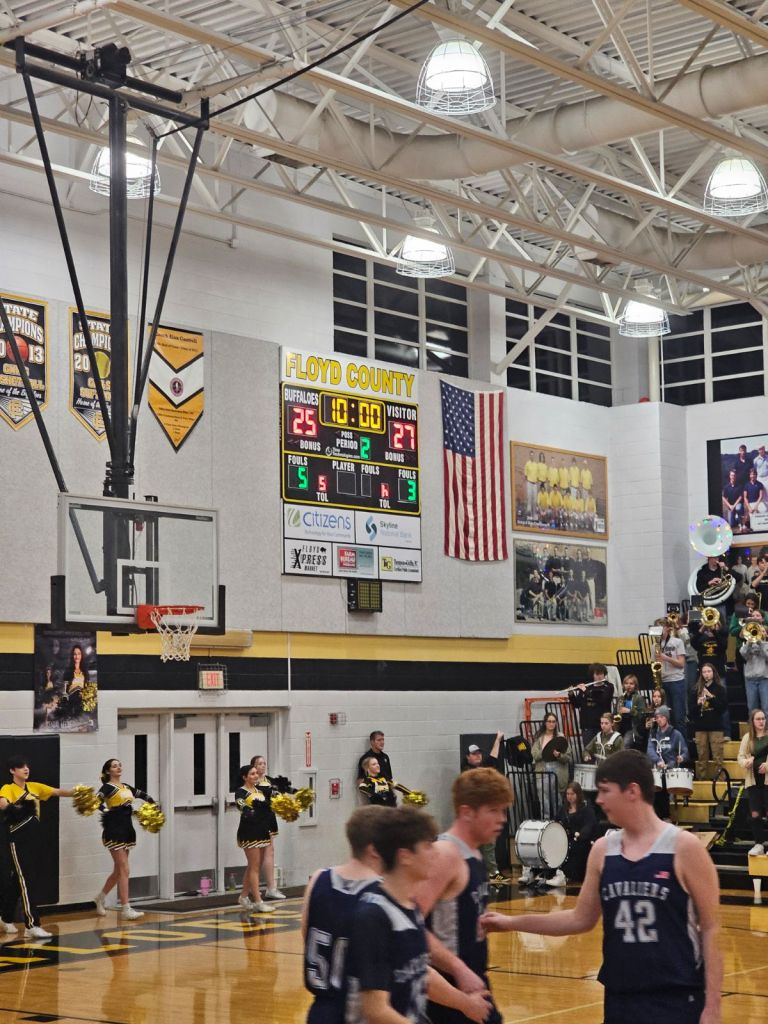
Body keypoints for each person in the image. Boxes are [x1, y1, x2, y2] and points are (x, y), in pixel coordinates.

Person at [481, 750, 722, 1024]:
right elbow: (579, 919)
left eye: (605, 791)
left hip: (675, 995)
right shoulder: (603, 850)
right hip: (620, 994)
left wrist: (713, 1006)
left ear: (632, 791)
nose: (599, 800)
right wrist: (510, 923)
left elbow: (711, 929)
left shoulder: (684, 847)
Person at [345, 806, 492, 1024]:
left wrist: (465, 1003)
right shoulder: (373, 916)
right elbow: (375, 1010)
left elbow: (420, 973)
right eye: (427, 846)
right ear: (405, 856)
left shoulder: (408, 907)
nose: (436, 853)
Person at [415, 768, 512, 1024]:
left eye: (503, 811)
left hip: (473, 980)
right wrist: (458, 968)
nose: (502, 819)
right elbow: (408, 924)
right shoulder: (445, 854)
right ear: (467, 812)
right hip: (446, 988)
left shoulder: (475, 853)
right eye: (494, 810)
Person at [302, 805, 384, 1024]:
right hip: (358, 1012)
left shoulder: (318, 879)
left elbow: (305, 934)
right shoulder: (382, 891)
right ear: (375, 849)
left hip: (320, 1010)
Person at [0, 755, 74, 938]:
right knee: (27, 880)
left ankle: (5, 918)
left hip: (34, 838)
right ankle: (32, 925)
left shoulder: (35, 787)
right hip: (18, 839)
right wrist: (19, 810)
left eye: (27, 766)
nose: (26, 769)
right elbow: (3, 804)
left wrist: (81, 792)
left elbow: (58, 792)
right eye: (21, 767)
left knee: (18, 881)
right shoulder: (8, 788)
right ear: (12, 771)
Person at [93, 758, 156, 921]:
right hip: (114, 829)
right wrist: (106, 810)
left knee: (118, 871)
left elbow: (142, 795)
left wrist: (152, 804)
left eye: (119, 765)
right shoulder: (107, 787)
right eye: (114, 766)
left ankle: (100, 898)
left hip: (127, 828)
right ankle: (126, 908)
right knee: (124, 869)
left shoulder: (126, 787)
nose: (118, 768)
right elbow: (96, 802)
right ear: (108, 771)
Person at [462, 734, 509, 885]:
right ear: (468, 757)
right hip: (474, 815)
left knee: (488, 844)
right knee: (479, 845)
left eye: (479, 753)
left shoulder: (483, 769)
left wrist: (498, 740)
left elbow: (493, 758)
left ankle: (490, 872)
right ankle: (489, 873)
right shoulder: (467, 772)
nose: (478, 756)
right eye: (474, 754)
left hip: (483, 814)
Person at [234, 763, 275, 914]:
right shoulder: (240, 792)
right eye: (252, 774)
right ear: (244, 777)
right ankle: (258, 901)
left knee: (253, 866)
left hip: (262, 830)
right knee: (254, 866)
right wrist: (249, 811)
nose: (256, 775)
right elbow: (241, 805)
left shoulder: (260, 790)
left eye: (256, 773)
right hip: (249, 831)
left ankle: (244, 897)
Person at [248, 754, 287, 901]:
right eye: (259, 763)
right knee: (256, 855)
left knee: (269, 852)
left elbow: (278, 797)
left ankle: (270, 888)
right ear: (253, 766)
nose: (263, 766)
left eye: (264, 763)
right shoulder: (251, 783)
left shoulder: (270, 781)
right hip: (257, 820)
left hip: (269, 818)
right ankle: (253, 888)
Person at [646, 705, 688, 821]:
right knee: (653, 786)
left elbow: (685, 752)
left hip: (670, 769)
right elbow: (650, 750)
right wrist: (658, 760)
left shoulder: (676, 734)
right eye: (657, 717)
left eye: (661, 717)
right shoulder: (653, 734)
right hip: (658, 768)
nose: (659, 719)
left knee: (662, 785)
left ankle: (665, 816)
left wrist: (682, 757)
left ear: (667, 718)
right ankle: (658, 817)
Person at [688, 666, 727, 781]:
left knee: (718, 757)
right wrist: (698, 704)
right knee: (701, 756)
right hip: (700, 727)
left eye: (709, 671)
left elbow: (722, 708)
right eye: (704, 672)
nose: (706, 674)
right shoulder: (695, 690)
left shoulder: (720, 689)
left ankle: (720, 780)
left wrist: (711, 696)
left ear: (713, 673)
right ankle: (702, 780)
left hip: (716, 726)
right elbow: (691, 712)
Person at [737, 707, 768, 856]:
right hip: (753, 780)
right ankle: (759, 843)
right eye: (758, 719)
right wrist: (746, 762)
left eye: (763, 719)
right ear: (753, 721)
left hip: (767, 780)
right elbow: (740, 757)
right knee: (755, 813)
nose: (761, 721)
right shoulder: (747, 737)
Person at [531, 712, 571, 818]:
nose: (551, 724)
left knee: (557, 801)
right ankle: (546, 823)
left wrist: (559, 755)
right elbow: (534, 754)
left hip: (557, 771)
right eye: (549, 721)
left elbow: (568, 757)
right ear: (545, 723)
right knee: (544, 801)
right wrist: (545, 751)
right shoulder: (539, 738)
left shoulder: (561, 737)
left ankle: (559, 823)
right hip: (542, 771)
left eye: (553, 721)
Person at [556, 782, 597, 883]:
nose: (569, 796)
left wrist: (578, 835)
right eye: (568, 794)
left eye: (572, 794)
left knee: (575, 849)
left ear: (578, 794)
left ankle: (567, 875)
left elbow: (589, 825)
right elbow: (556, 822)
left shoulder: (586, 809)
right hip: (566, 839)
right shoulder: (563, 809)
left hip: (580, 841)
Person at [653, 618, 687, 732]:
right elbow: (654, 664)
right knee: (666, 717)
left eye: (661, 627)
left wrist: (666, 658)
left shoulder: (677, 642)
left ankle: (682, 742)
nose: (658, 630)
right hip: (662, 682)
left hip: (676, 681)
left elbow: (681, 664)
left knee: (678, 717)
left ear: (667, 628)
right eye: (656, 628)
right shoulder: (655, 645)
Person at [568, 664, 614, 745]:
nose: (599, 676)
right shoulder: (587, 687)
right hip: (587, 726)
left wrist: (585, 691)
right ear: (592, 675)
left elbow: (603, 701)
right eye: (597, 674)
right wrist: (571, 695)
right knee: (588, 750)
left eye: (601, 674)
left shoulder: (608, 687)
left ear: (604, 674)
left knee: (603, 748)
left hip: (602, 725)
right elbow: (577, 704)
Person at [740, 621, 768, 714]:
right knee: (752, 707)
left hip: (765, 679)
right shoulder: (747, 644)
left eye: (763, 631)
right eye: (759, 631)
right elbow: (743, 654)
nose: (760, 633)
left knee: (766, 707)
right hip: (750, 680)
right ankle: (752, 724)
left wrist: (760, 643)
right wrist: (749, 643)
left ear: (766, 634)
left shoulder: (766, 645)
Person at [616, 674, 647, 742]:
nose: (628, 685)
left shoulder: (639, 698)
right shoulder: (620, 698)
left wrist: (630, 711)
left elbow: (641, 716)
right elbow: (615, 713)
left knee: (625, 743)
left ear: (635, 685)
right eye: (626, 683)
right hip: (620, 727)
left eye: (631, 683)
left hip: (633, 728)